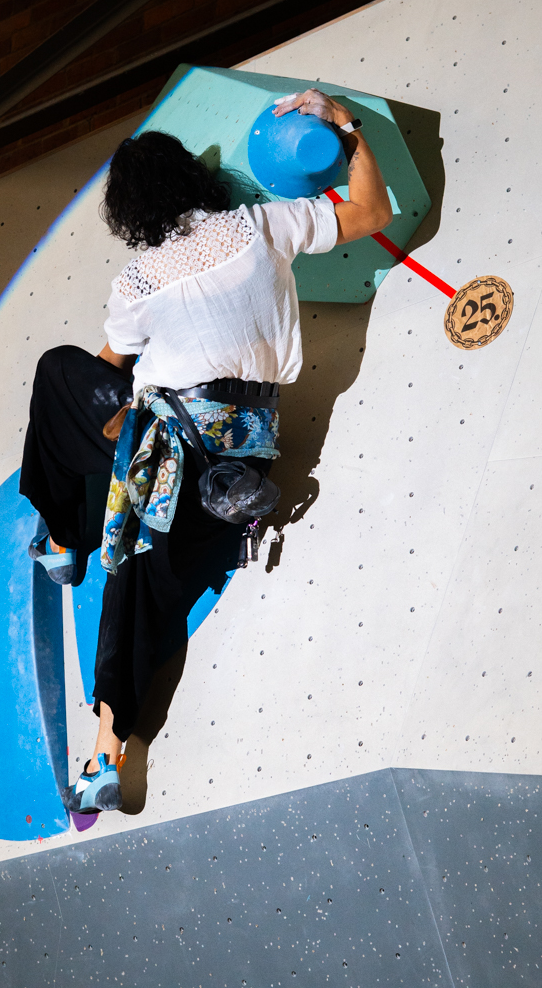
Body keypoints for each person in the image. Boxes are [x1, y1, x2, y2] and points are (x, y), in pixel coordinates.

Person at [20, 88, 392, 815]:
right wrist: (344, 126)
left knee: (59, 374)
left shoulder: (137, 280)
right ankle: (102, 750)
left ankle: (64, 544)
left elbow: (106, 367)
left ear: (130, 214)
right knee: (139, 579)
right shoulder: (260, 226)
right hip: (244, 458)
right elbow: (370, 212)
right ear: (195, 180)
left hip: (166, 446)